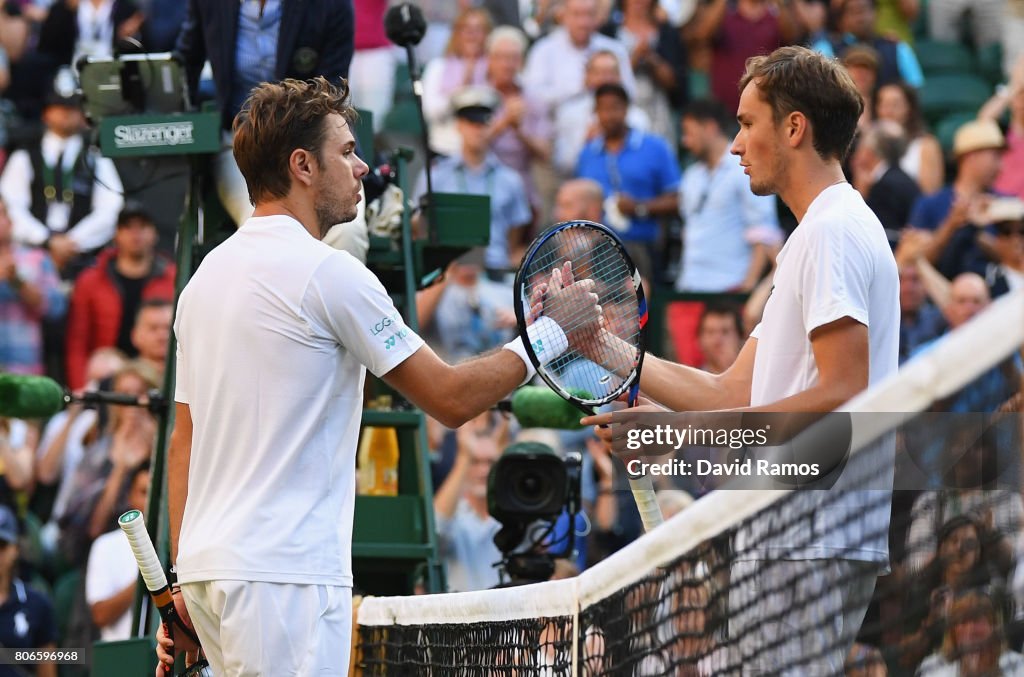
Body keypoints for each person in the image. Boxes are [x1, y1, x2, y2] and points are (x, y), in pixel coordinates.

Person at [157, 76, 600, 676]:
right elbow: (449, 398)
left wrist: (184, 582)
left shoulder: (202, 280)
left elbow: (182, 442)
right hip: (283, 579)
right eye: (345, 151)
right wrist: (550, 334)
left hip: (212, 573)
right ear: (302, 165)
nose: (363, 166)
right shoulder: (330, 273)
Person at [584, 45, 900, 673]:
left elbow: (842, 392)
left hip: (810, 532)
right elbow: (733, 393)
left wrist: (674, 436)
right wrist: (601, 345)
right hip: (793, 531)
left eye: (747, 123)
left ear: (793, 127)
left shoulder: (830, 231)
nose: (735, 145)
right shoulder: (817, 232)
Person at [64, 204, 175, 391]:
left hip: (156, 374)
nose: (135, 234)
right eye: (128, 227)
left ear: (155, 233)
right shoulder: (91, 280)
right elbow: (77, 340)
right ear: (116, 234)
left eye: (143, 227)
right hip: (107, 372)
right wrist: (81, 388)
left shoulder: (173, 277)